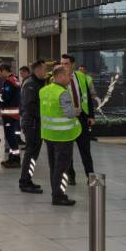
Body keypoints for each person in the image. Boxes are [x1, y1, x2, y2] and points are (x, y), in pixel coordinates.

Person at [40, 65, 77, 206]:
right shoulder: (62, 93)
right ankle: (59, 196)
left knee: (54, 166)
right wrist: (77, 111)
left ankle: (56, 194)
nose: (70, 78)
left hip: (49, 135)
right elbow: (69, 113)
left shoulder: (44, 91)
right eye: (68, 75)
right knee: (62, 168)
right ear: (60, 76)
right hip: (63, 136)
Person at [60, 54, 95, 186]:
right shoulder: (57, 78)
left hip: (81, 117)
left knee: (85, 150)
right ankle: (71, 176)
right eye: (62, 63)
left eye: (66, 63)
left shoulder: (81, 76)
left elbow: (88, 97)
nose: (63, 66)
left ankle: (90, 176)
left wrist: (91, 116)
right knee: (68, 150)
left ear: (72, 64)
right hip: (67, 118)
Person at [19, 61, 47, 194]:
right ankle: (24, 182)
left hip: (36, 123)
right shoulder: (31, 84)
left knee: (33, 154)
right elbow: (30, 106)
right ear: (38, 70)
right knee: (30, 154)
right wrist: (45, 114)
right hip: (32, 124)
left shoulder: (38, 83)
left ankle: (27, 179)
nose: (46, 72)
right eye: (44, 70)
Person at [0, 63, 22, 168]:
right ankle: (12, 158)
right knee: (12, 137)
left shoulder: (8, 82)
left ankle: (16, 159)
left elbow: (5, 97)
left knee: (10, 137)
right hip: (14, 112)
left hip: (9, 113)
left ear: (3, 70)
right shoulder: (15, 79)